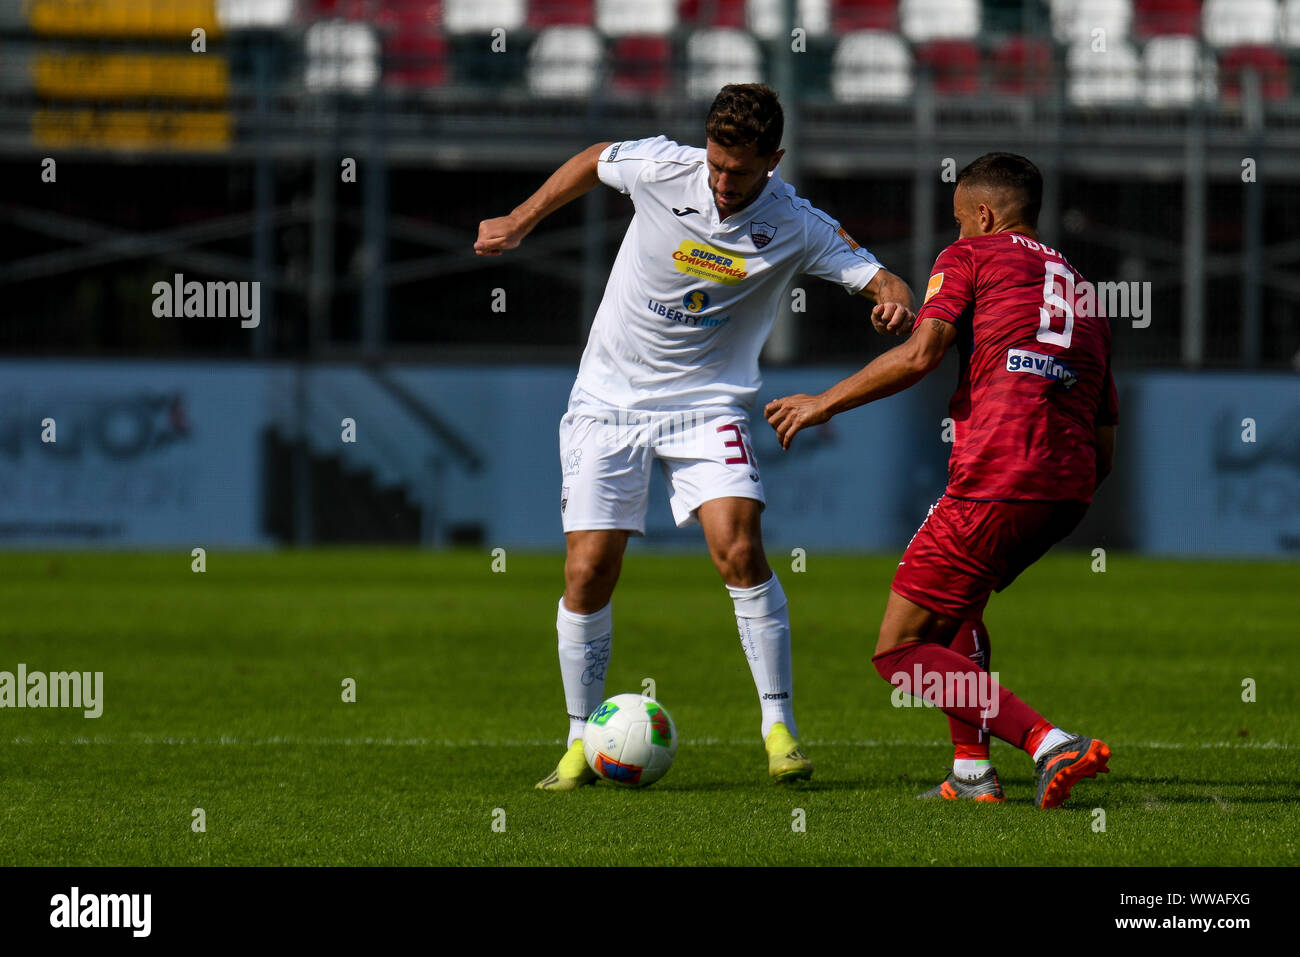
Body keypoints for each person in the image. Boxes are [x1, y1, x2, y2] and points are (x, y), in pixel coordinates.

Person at [475, 84, 916, 790]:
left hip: (708, 407)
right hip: (608, 401)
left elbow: (884, 280)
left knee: (739, 549)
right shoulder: (661, 166)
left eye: (738, 170)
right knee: (587, 571)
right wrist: (522, 219)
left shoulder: (795, 222)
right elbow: (594, 159)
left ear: (773, 160)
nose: (720, 180)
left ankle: (779, 729)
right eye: (714, 163)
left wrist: (893, 305)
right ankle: (576, 741)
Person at [765, 152, 1116, 808]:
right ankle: (972, 772)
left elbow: (921, 354)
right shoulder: (1082, 291)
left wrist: (822, 402)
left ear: (982, 215)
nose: (955, 235)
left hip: (997, 472)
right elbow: (1105, 439)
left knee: (899, 650)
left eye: (959, 222)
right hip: (1069, 486)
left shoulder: (972, 256)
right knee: (958, 611)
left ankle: (1049, 741)